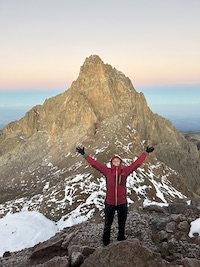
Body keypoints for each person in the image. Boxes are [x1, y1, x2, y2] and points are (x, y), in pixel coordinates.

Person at [76, 146, 154, 246]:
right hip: (110, 203)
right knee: (108, 223)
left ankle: (121, 237)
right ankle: (105, 241)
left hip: (122, 203)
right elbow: (95, 164)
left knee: (122, 223)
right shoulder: (107, 171)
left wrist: (145, 153)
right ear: (111, 163)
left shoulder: (125, 171)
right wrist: (84, 154)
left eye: (118, 161)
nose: (116, 162)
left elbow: (136, 164)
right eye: (114, 161)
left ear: (120, 162)